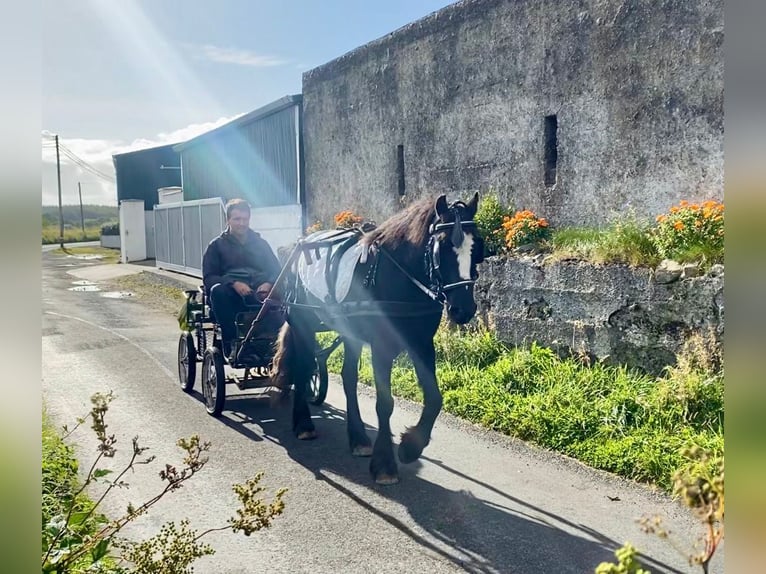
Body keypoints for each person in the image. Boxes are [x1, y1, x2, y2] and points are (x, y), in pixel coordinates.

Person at [202, 198, 282, 360]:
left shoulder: (261, 244)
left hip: (260, 293)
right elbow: (209, 277)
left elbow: (276, 270)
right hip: (231, 297)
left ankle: (277, 343)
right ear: (228, 220)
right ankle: (232, 345)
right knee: (217, 290)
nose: (242, 223)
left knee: (286, 288)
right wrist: (233, 283)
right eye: (237, 219)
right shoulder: (216, 246)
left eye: (245, 219)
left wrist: (269, 283)